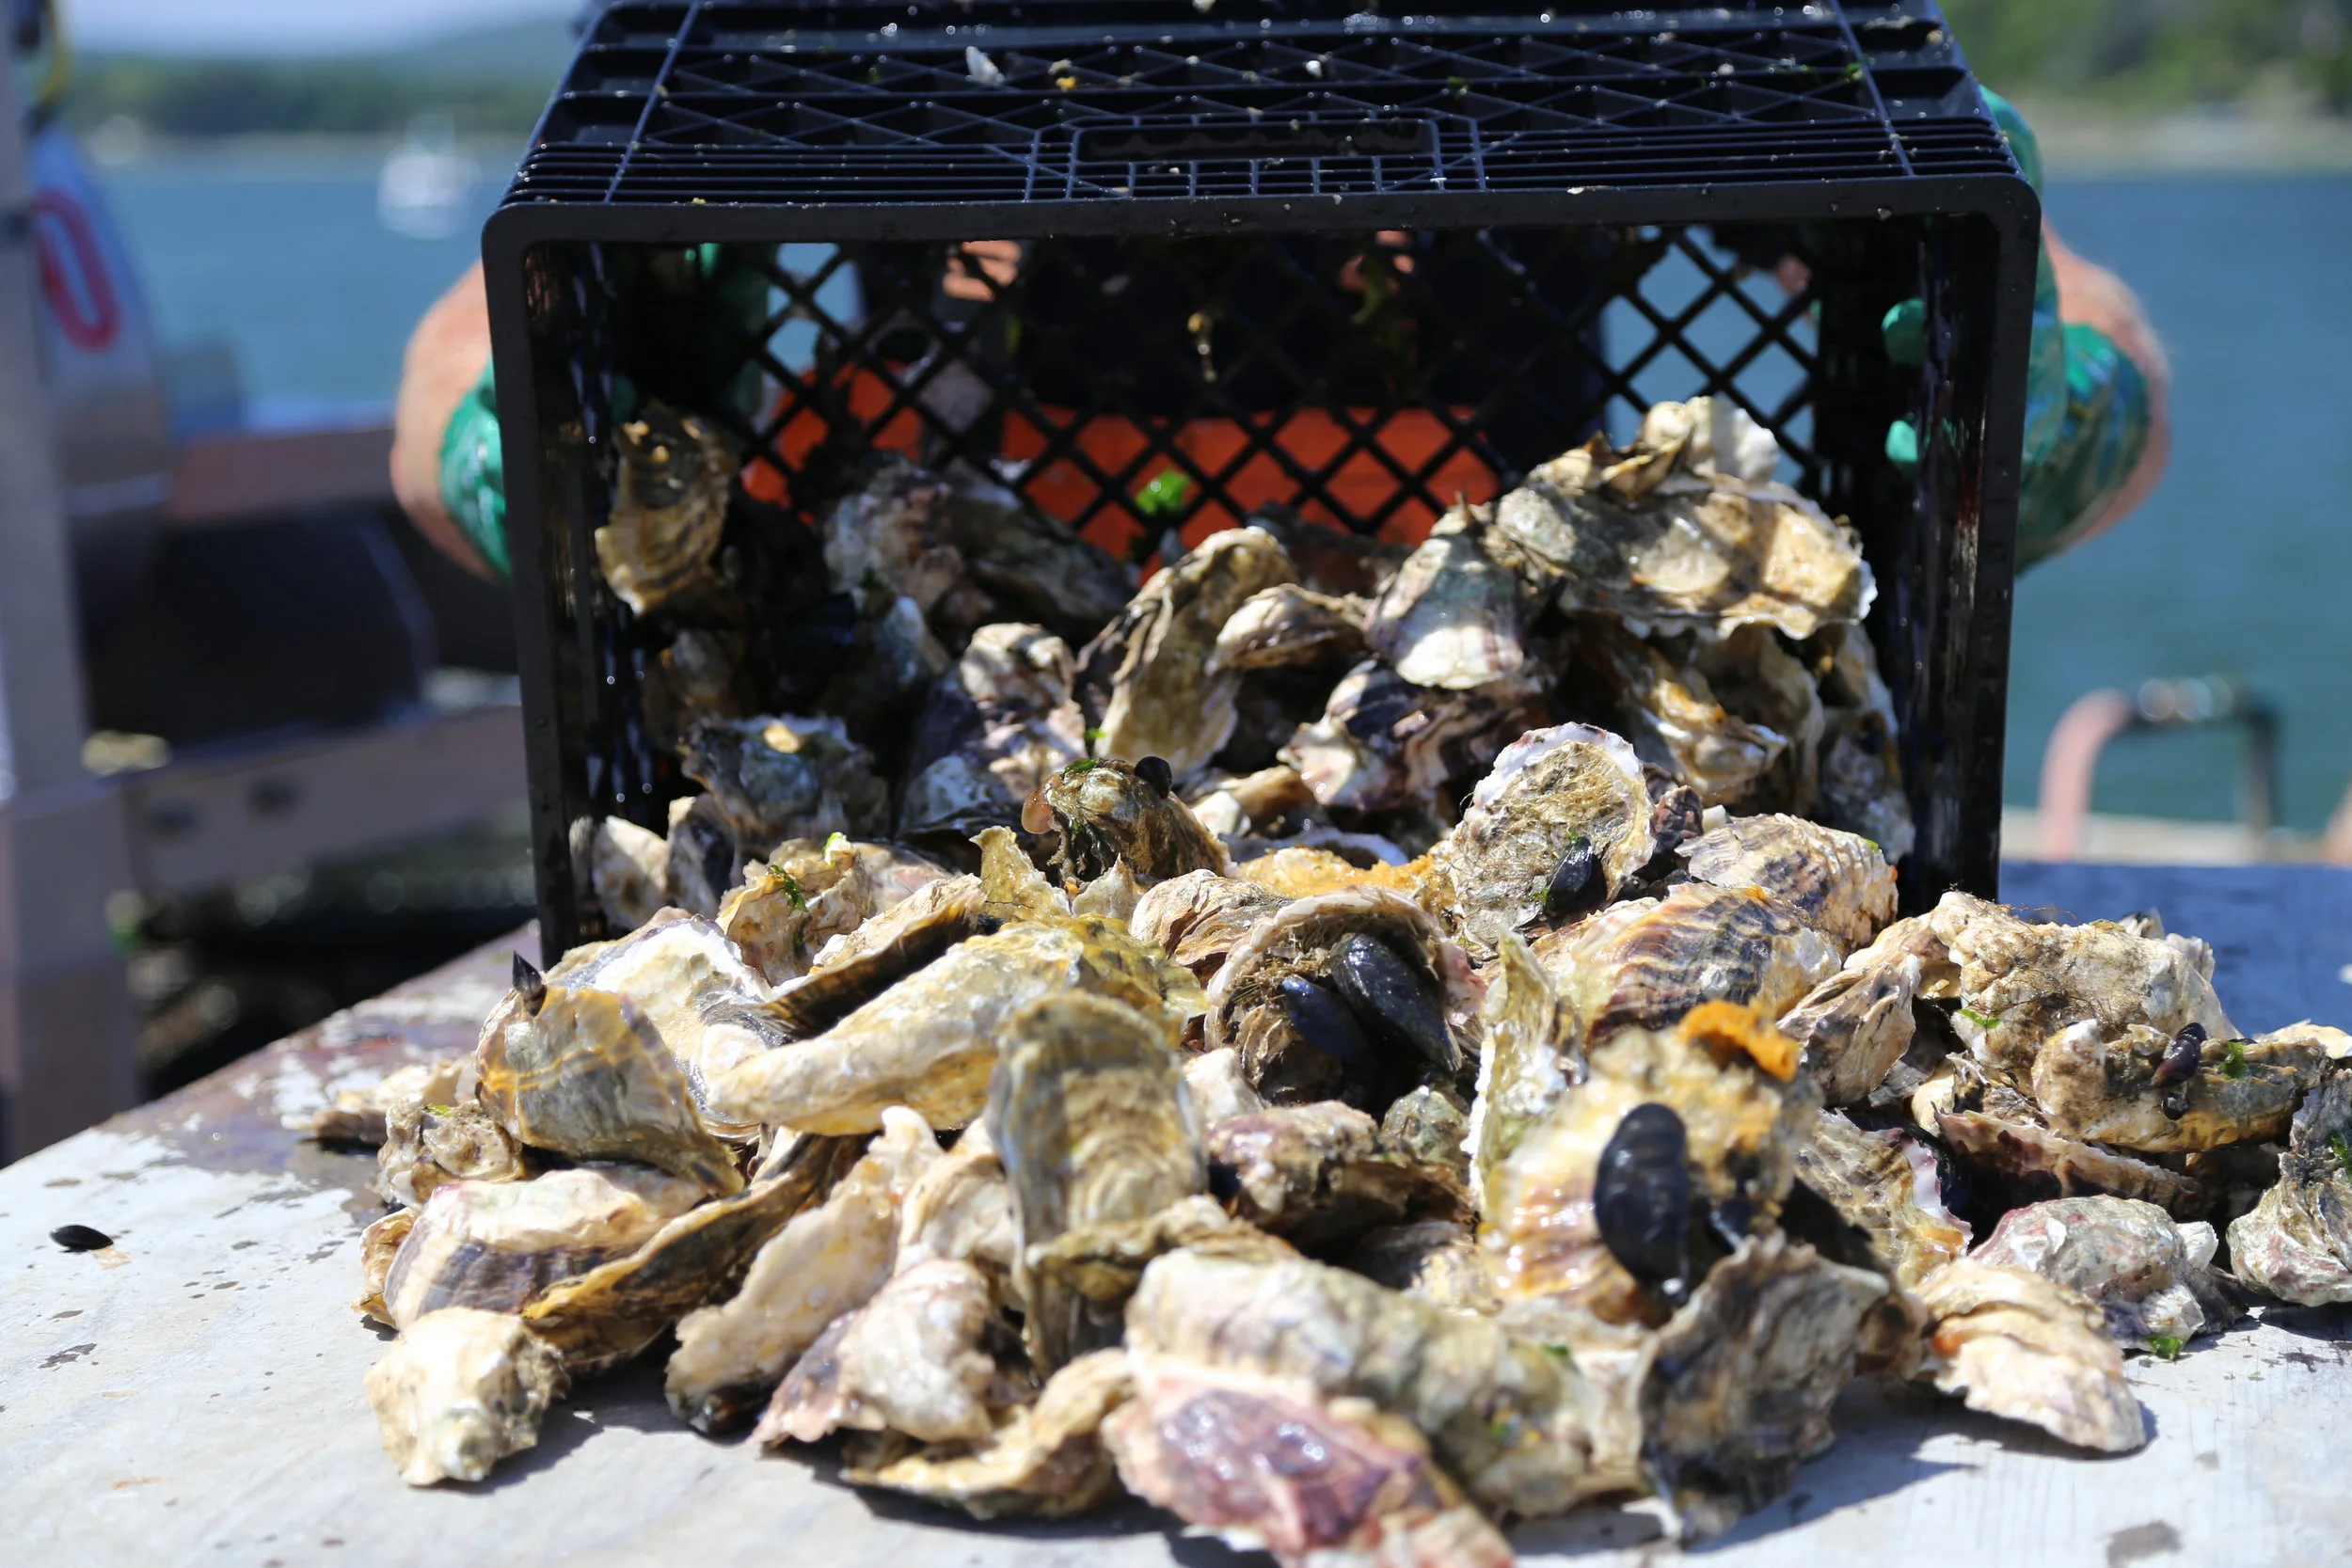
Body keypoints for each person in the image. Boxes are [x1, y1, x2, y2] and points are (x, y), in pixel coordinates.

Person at [390, 91, 2168, 583]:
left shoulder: (1592, 49)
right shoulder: (888, 42)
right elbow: (445, 372)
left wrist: (2060, 411)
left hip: (1507, 760)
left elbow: (2095, 323)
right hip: (978, 758)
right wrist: (509, 440)